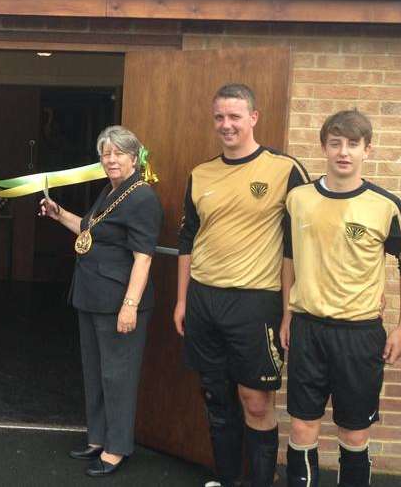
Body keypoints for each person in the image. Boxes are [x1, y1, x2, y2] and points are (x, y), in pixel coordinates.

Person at [174, 84, 309, 487]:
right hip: (203, 300)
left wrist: (290, 309)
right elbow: (187, 241)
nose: (226, 125)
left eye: (235, 116)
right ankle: (227, 478)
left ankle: (261, 481)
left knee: (255, 402)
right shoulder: (201, 174)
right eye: (220, 117)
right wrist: (181, 301)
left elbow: (305, 238)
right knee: (217, 398)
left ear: (253, 117)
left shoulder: (284, 169)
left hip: (256, 303)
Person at [282, 110, 401, 487]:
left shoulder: (384, 204)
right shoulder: (298, 199)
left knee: (355, 433)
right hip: (308, 328)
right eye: (336, 143)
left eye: (353, 144)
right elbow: (289, 259)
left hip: (359, 334)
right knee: (301, 425)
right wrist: (286, 316)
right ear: (324, 147)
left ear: (367, 149)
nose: (344, 152)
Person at [40, 125, 163, 478]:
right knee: (96, 374)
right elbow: (89, 230)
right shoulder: (111, 192)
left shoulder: (141, 197)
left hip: (117, 303)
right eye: (105, 153)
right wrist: (59, 213)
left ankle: (117, 447)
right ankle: (98, 437)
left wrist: (129, 305)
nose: (110, 159)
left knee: (118, 377)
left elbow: (144, 258)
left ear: (134, 157)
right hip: (92, 297)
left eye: (118, 153)